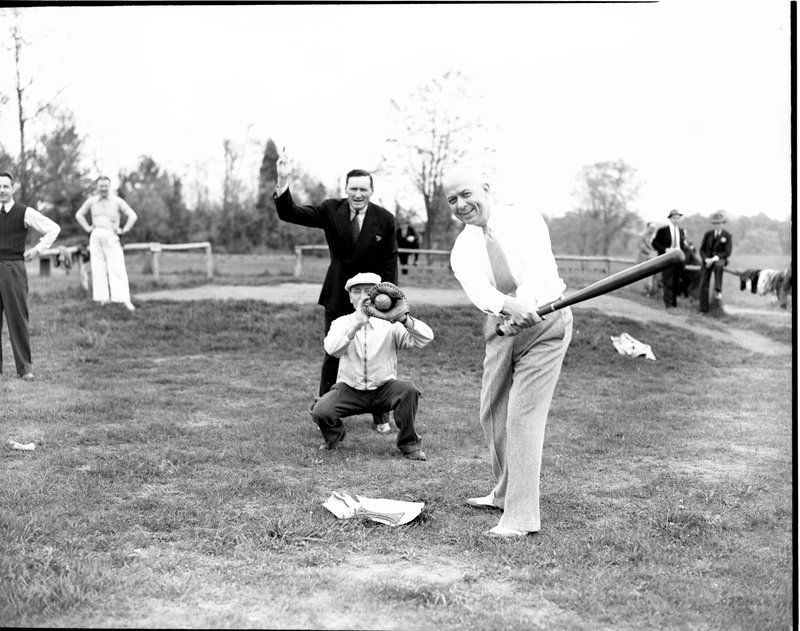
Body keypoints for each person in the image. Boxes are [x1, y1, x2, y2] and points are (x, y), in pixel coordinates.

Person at [444, 166, 573, 538]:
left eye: (466, 194)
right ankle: (502, 492)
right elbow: (481, 293)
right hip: (501, 324)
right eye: (453, 200)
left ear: (485, 188)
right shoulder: (462, 247)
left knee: (523, 417)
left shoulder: (525, 217)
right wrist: (508, 308)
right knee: (492, 411)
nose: (461, 204)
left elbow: (539, 271)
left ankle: (520, 517)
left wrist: (525, 306)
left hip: (547, 320)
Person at [274, 150, 398, 433]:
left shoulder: (385, 219)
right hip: (337, 293)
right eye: (353, 188)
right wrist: (283, 180)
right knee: (333, 352)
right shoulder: (331, 209)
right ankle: (327, 415)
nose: (358, 194)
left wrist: (388, 298)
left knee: (376, 352)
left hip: (374, 298)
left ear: (371, 191)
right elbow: (290, 213)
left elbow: (390, 260)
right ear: (345, 189)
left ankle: (381, 414)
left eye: (363, 189)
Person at [310, 272, 433, 460]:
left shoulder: (389, 325)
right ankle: (334, 436)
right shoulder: (341, 323)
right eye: (356, 291)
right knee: (320, 410)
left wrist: (404, 319)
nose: (362, 296)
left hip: (383, 389)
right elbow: (332, 349)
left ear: (376, 297)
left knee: (408, 390)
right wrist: (357, 324)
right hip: (349, 389)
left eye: (368, 291)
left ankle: (410, 445)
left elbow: (426, 338)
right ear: (350, 297)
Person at [0, 171, 61, 381]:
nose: (1, 190)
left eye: (5, 186)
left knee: (17, 318)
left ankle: (24, 369)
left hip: (13, 269)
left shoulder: (24, 212)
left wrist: (36, 250)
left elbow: (53, 228)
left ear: (13, 188)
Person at [75, 176, 137, 311]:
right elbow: (79, 214)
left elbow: (133, 216)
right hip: (96, 236)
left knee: (117, 268)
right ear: (97, 187)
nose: (103, 188)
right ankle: (103, 299)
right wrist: (87, 228)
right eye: (101, 186)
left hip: (111, 236)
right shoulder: (91, 201)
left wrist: (124, 230)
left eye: (105, 186)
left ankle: (124, 300)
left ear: (109, 186)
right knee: (98, 268)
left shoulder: (117, 201)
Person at [651, 209, 689, 310]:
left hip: (678, 260)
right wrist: (665, 249)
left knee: (676, 282)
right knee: (668, 282)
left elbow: (682, 246)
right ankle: (668, 305)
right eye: (674, 218)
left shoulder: (681, 231)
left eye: (678, 218)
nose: (676, 220)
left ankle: (674, 305)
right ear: (670, 219)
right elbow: (655, 243)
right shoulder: (663, 231)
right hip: (666, 259)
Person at [698, 210, 733, 313]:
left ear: (723, 224)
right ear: (714, 224)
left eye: (721, 223)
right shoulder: (708, 234)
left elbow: (727, 252)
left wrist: (715, 258)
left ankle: (718, 289)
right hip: (707, 261)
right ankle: (703, 309)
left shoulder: (727, 235)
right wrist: (705, 259)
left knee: (719, 266)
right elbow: (702, 249)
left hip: (719, 260)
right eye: (717, 223)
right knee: (703, 283)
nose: (719, 225)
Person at [635, 222, 658, 296]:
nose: (653, 230)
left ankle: (651, 291)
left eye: (654, 228)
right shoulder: (642, 235)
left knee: (653, 277)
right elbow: (642, 247)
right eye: (651, 228)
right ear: (647, 227)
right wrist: (652, 253)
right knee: (645, 277)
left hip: (653, 258)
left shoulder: (654, 236)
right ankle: (645, 291)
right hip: (644, 258)